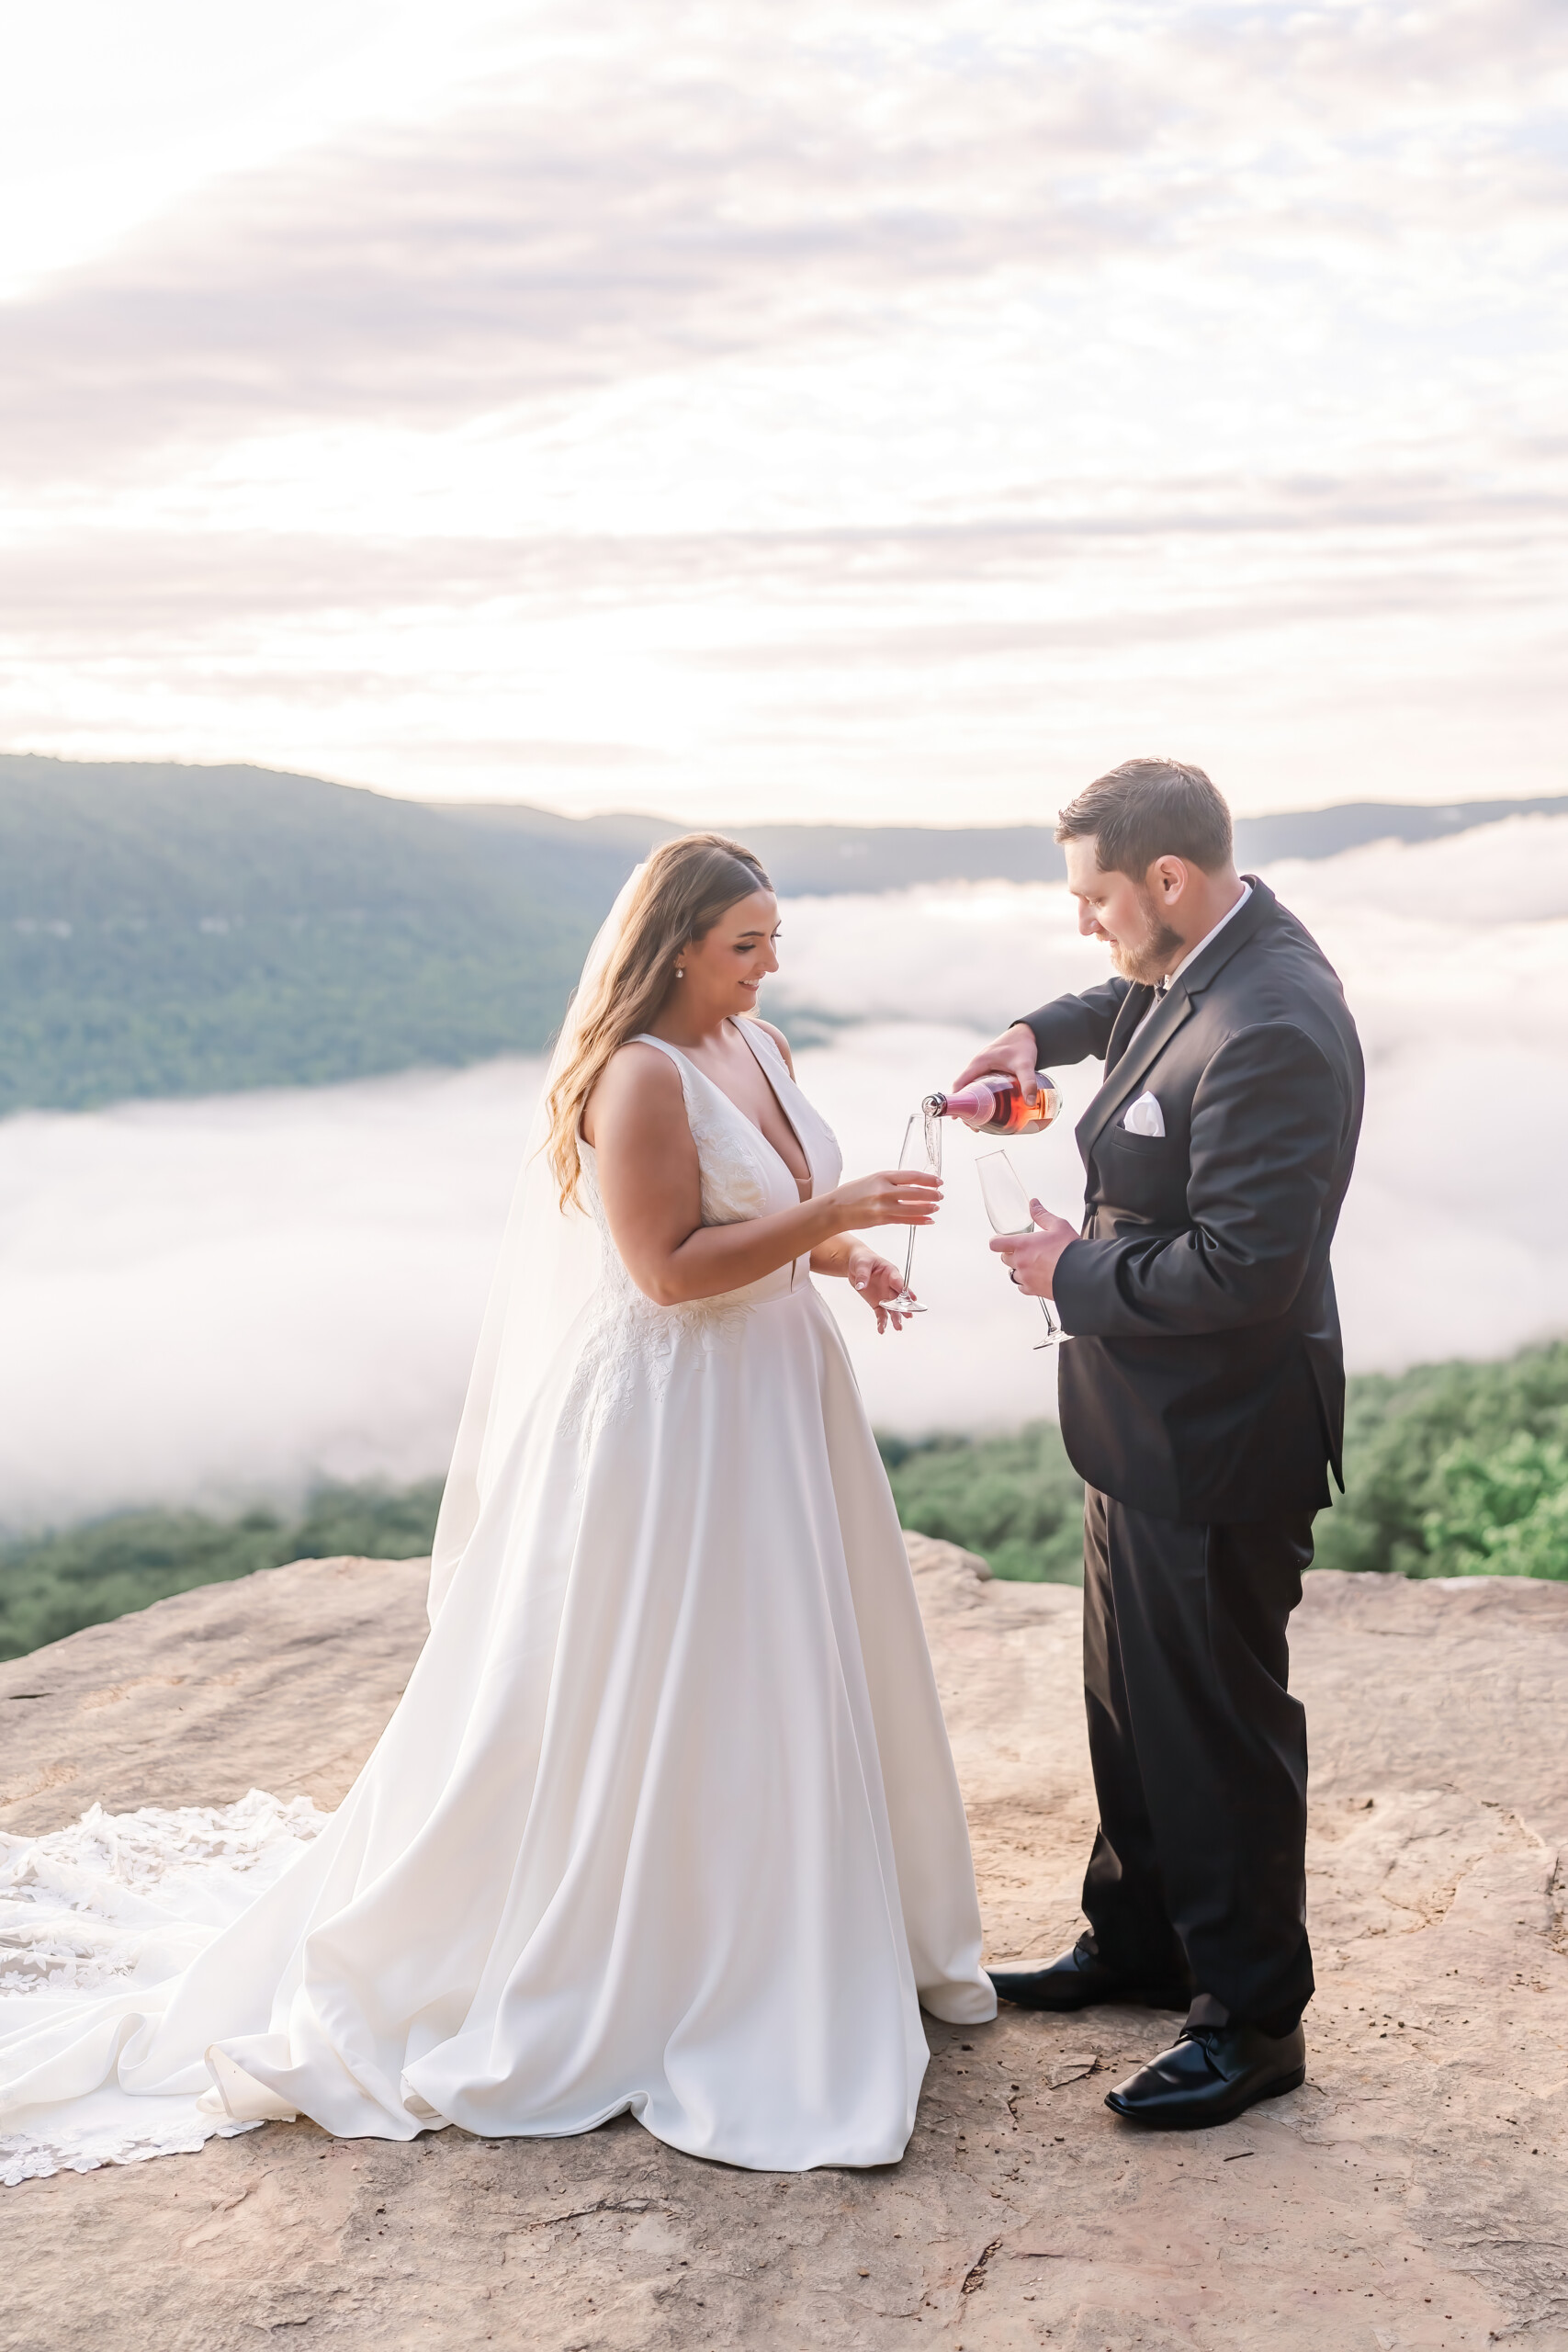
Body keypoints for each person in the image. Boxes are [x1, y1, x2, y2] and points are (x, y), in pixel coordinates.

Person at [0, 833, 995, 2184]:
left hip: (776, 1403)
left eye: (773, 940)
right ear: (678, 947)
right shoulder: (637, 1079)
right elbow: (665, 1272)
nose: (771, 965)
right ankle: (654, 1950)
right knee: (668, 1675)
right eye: (747, 944)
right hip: (677, 1423)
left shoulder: (757, 1050)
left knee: (783, 1665)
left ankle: (786, 1921)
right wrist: (834, 1201)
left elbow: (762, 1212)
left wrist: (847, 1253)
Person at [952, 758, 1362, 2130]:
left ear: (1167, 882)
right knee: (1131, 1711)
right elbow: (1125, 1000)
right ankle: (1140, 1942)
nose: (1088, 925)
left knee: (1220, 1733)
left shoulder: (1276, 1022)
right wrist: (1029, 1034)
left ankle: (1249, 2021)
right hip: (1139, 1427)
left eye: (1095, 898)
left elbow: (1246, 1270)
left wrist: (1069, 1274)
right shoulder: (1198, 956)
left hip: (1225, 1440)